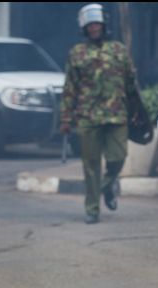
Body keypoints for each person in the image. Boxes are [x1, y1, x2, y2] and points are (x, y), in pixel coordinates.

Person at [59, 3, 137, 224]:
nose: (94, 28)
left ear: (104, 25)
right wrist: (65, 118)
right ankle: (92, 209)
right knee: (91, 166)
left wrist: (136, 111)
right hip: (87, 117)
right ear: (84, 28)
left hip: (117, 114)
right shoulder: (77, 53)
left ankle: (106, 186)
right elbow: (69, 88)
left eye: (97, 24)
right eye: (90, 25)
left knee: (118, 158)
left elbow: (131, 84)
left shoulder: (118, 50)